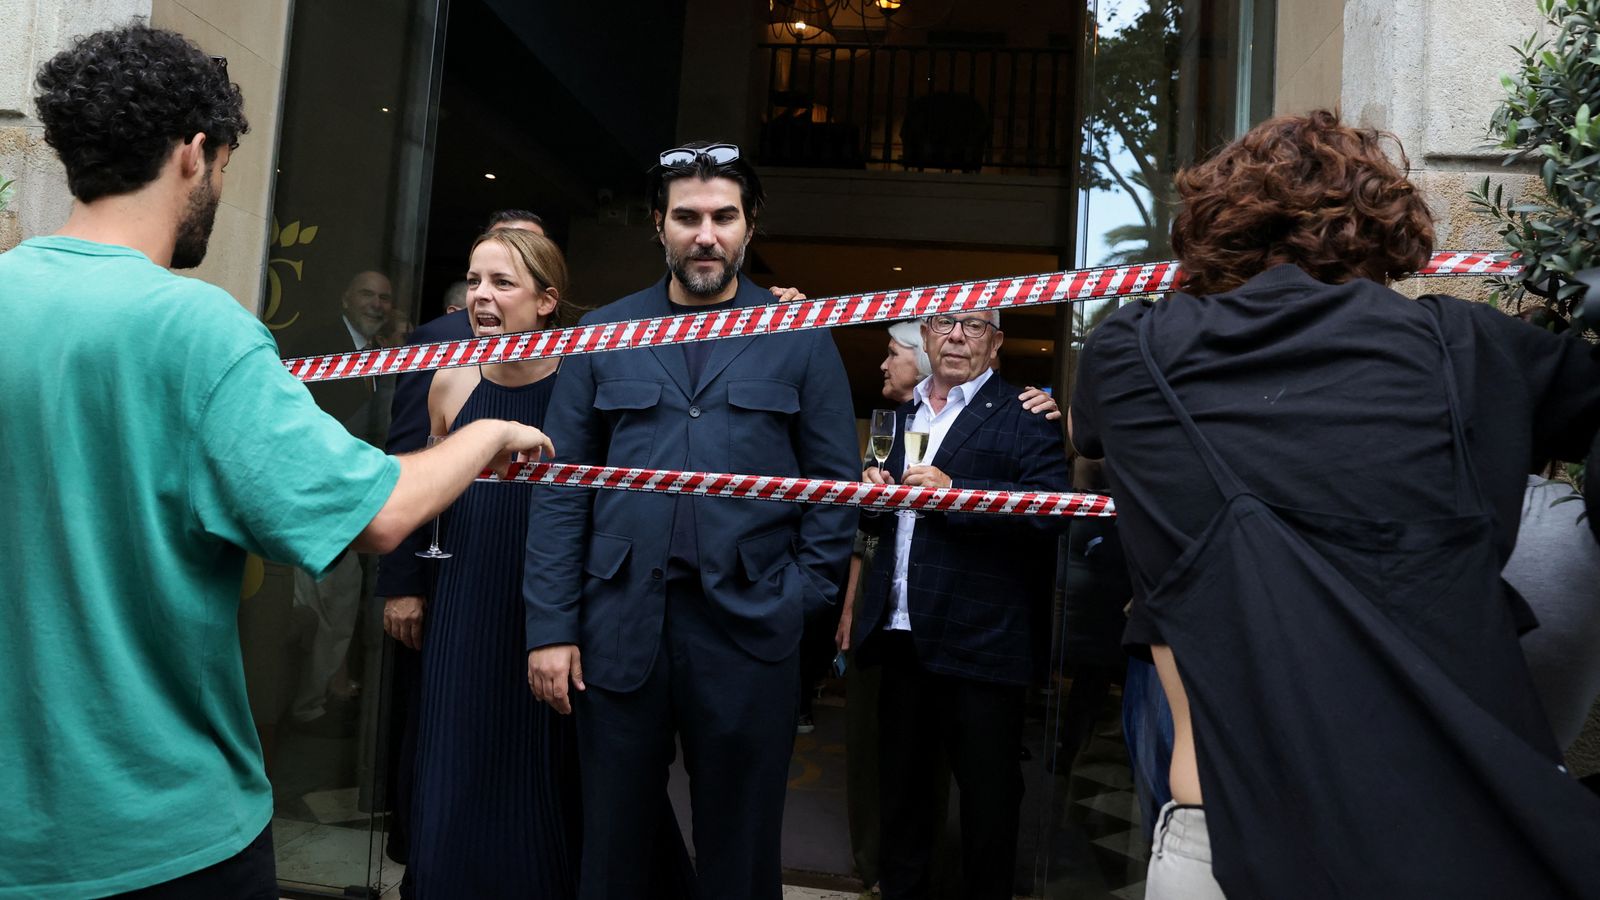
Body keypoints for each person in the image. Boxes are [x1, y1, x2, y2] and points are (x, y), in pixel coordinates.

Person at [0, 24, 553, 899]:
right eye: (222, 163)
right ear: (194, 153)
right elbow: (378, 513)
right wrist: (486, 434)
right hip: (163, 837)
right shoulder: (196, 330)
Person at [1070, 110, 1600, 897]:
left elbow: (1088, 436)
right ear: (1387, 225)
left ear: (1216, 225)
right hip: (1447, 839)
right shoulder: (1471, 349)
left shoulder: (1132, 353)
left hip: (1227, 844)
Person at [524, 142, 859, 900]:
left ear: (748, 227)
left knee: (740, 854)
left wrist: (801, 595)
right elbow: (559, 490)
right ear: (658, 226)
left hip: (750, 627)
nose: (705, 234)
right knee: (612, 849)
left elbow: (835, 485)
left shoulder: (799, 334)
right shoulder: (604, 333)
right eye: (687, 218)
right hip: (617, 629)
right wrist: (551, 628)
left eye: (722, 217)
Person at [834, 320, 1059, 893]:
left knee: (988, 811)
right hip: (900, 636)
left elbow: (1048, 517)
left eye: (975, 326)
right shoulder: (900, 418)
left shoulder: (1026, 413)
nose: (957, 336)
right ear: (927, 338)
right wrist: (871, 500)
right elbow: (874, 522)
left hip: (981, 644)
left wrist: (955, 497)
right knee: (902, 806)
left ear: (997, 341)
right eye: (944, 324)